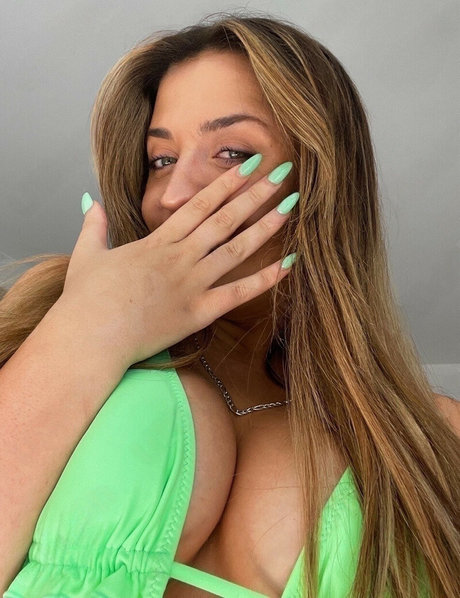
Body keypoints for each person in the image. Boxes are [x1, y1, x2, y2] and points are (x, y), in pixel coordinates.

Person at [1, 11, 459, 598]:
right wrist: (89, 329)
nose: (174, 194)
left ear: (321, 182)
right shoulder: (50, 315)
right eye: (161, 160)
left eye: (231, 152)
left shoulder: (431, 441)